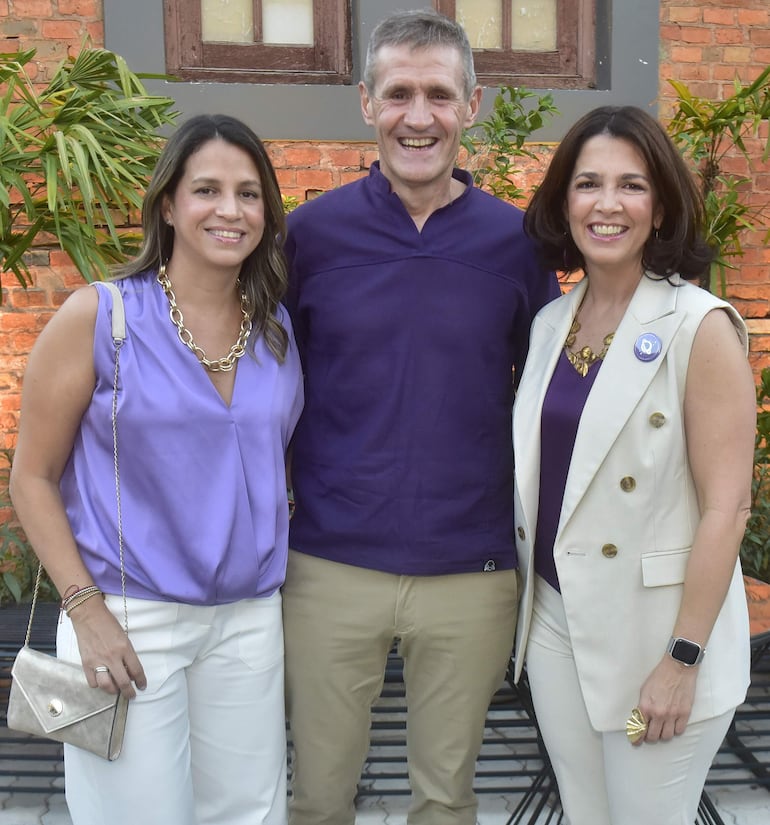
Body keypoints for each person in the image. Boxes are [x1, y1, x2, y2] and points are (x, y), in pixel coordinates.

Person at [281, 10, 559, 825]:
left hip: (470, 573)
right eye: (399, 92)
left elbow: (543, 390)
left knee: (446, 800)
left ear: (472, 105)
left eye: (439, 94)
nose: (419, 115)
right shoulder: (310, 236)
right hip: (330, 565)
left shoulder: (518, 243)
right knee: (319, 797)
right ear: (367, 102)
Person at [9, 114, 303, 825]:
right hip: (127, 615)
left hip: (247, 616)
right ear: (168, 204)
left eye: (248, 193)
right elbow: (32, 477)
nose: (230, 211)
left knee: (249, 813)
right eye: (207, 189)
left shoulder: (274, 330)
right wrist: (86, 612)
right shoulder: (99, 316)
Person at [512, 104, 756, 824]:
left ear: (661, 204)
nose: (608, 204)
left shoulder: (697, 325)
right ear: (564, 200)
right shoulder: (552, 322)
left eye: (633, 184)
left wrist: (682, 659)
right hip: (559, 622)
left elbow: (728, 506)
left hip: (658, 635)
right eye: (588, 183)